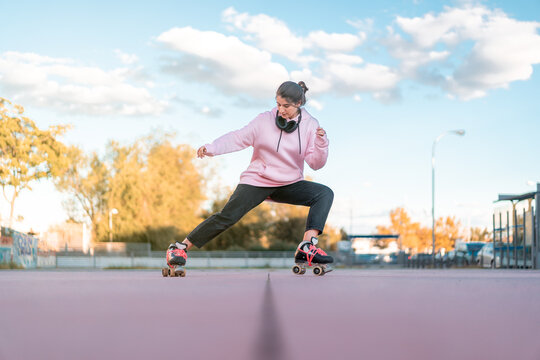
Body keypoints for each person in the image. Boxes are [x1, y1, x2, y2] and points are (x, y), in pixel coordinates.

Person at [167, 81, 334, 269]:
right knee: (228, 216)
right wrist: (212, 148)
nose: (280, 110)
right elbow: (238, 137)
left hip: (289, 183)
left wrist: (321, 143)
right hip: (257, 180)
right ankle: (179, 248)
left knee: (324, 193)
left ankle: (307, 247)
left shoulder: (310, 125)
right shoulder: (264, 120)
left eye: (286, 106)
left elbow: (316, 164)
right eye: (278, 104)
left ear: (298, 103)